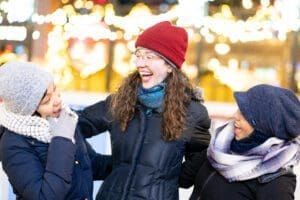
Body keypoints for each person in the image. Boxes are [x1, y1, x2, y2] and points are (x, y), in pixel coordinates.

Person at [77, 21, 211, 200]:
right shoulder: (121, 101)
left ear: (170, 66)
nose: (140, 63)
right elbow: (74, 125)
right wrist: (98, 163)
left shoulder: (192, 113)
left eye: (149, 57)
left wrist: (164, 179)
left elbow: (199, 160)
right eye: (138, 55)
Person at [0, 61, 112, 200]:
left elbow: (90, 165)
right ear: (28, 109)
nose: (57, 100)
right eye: (47, 100)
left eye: (55, 90)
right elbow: (45, 196)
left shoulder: (62, 118)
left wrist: (132, 163)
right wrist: (62, 140)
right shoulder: (13, 144)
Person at [180, 84, 300, 200]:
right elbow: (180, 177)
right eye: (239, 109)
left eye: (245, 113)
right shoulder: (220, 146)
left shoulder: (276, 181)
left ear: (264, 126)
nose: (235, 115)